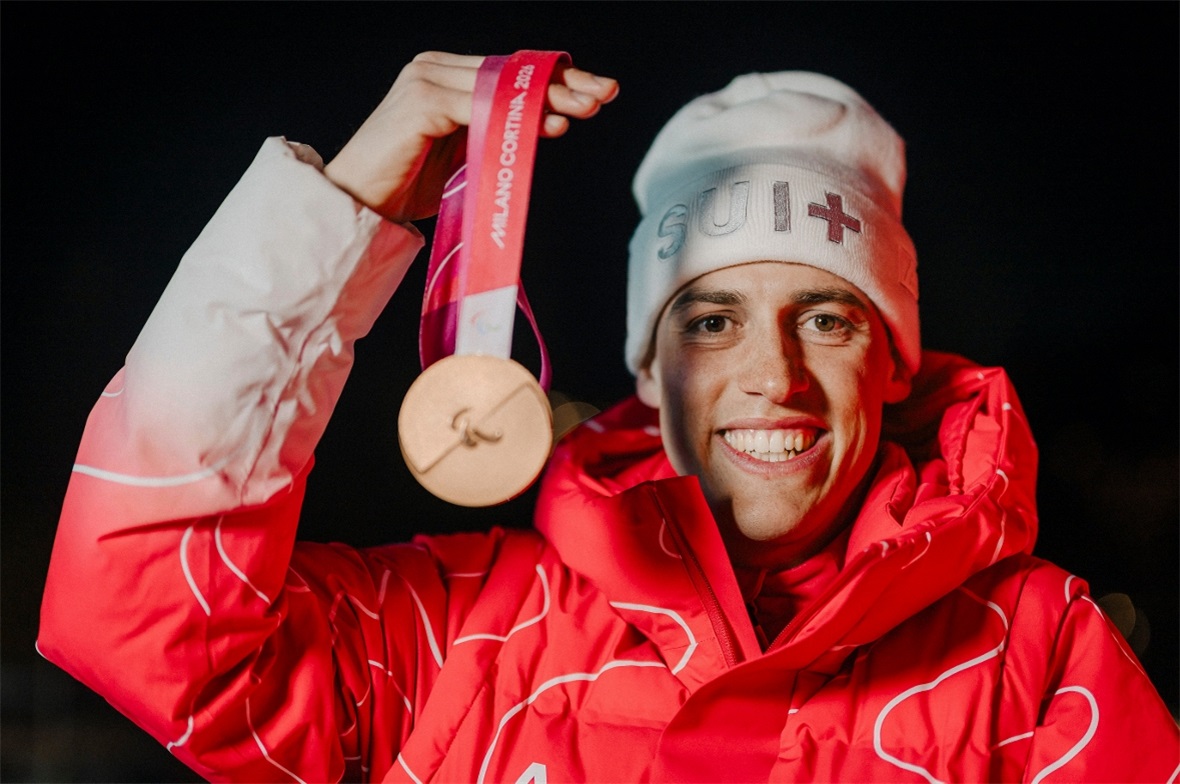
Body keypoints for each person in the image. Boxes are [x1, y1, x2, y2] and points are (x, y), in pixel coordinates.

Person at [37, 51, 1178, 783]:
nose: (773, 376)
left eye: (827, 318)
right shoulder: (463, 632)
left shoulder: (1041, 656)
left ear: (893, 362)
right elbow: (141, 619)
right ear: (649, 365)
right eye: (713, 320)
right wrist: (341, 210)